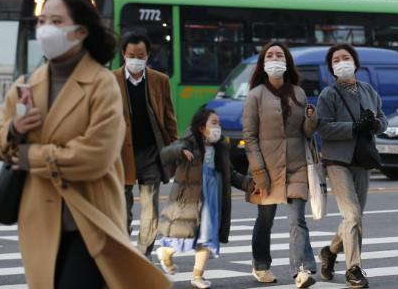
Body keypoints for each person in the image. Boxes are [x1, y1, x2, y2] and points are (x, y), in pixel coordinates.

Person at [0, 0, 169, 289]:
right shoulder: (26, 86)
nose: (46, 29)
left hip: (90, 221)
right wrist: (14, 129)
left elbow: (95, 156)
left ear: (81, 31)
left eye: (57, 21)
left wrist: (32, 156)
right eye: (42, 21)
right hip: (40, 221)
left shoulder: (102, 85)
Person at [242, 42, 319, 288]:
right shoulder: (255, 95)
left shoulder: (298, 92)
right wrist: (259, 172)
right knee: (265, 220)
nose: (275, 59)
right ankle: (260, 264)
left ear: (286, 62)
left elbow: (306, 133)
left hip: (297, 167)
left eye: (279, 55)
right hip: (267, 169)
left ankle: (301, 269)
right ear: (263, 63)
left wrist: (311, 119)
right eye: (270, 55)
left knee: (297, 219)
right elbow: (250, 137)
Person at [155, 108, 253, 289]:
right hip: (190, 198)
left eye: (219, 124)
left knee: (208, 236)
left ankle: (197, 276)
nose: (218, 127)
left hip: (213, 198)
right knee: (184, 234)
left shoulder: (220, 147)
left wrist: (249, 184)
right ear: (202, 127)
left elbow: (230, 173)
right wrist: (181, 150)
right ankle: (166, 252)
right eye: (213, 123)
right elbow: (166, 153)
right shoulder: (189, 142)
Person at [316, 44, 388, 289]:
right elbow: (323, 127)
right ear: (331, 68)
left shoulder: (368, 90)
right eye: (336, 60)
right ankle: (353, 269)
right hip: (337, 161)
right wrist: (353, 127)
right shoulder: (329, 94)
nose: (342, 62)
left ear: (355, 62)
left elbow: (383, 120)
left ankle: (329, 252)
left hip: (362, 159)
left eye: (345, 57)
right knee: (353, 215)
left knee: (353, 217)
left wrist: (374, 125)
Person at [115, 33, 179, 259]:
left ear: (148, 55)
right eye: (131, 55)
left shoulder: (160, 80)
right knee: (121, 208)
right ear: (124, 54)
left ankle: (144, 253)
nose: (135, 59)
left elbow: (169, 117)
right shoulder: (110, 81)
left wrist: (175, 147)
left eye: (140, 55)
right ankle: (124, 250)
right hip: (120, 154)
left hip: (151, 152)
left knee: (150, 206)